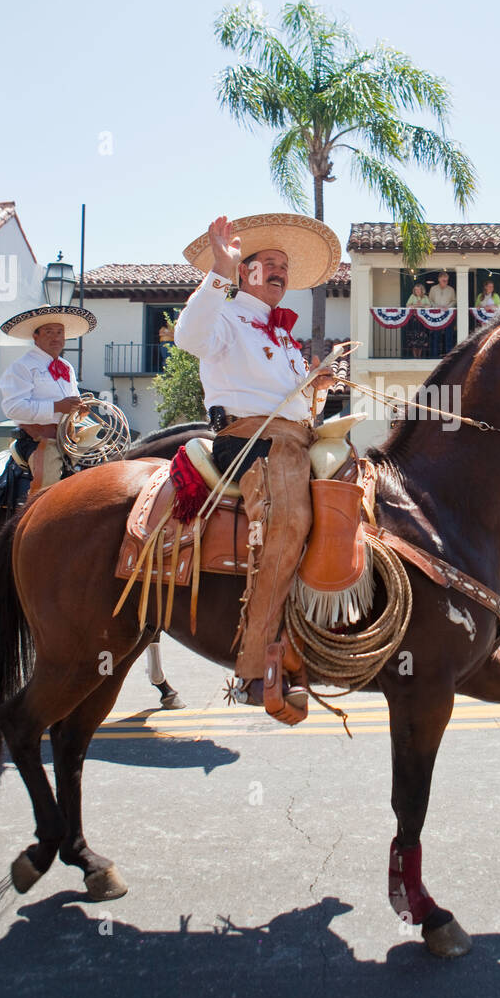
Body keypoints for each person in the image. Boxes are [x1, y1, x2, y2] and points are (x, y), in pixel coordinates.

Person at [175, 212, 340, 720]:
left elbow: (287, 402)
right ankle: (254, 669)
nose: (277, 271)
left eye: (283, 265)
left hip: (297, 438)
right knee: (289, 520)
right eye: (266, 263)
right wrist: (220, 271)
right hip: (251, 442)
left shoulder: (287, 338)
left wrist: (315, 387)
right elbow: (188, 337)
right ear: (243, 272)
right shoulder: (223, 314)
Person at [0, 303, 97, 491]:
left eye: (59, 332)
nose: (56, 337)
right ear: (36, 336)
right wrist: (56, 407)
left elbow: (70, 405)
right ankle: (35, 518)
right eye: (49, 332)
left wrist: (80, 410)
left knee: (104, 465)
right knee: (49, 487)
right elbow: (12, 408)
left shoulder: (66, 367)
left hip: (69, 439)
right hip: (38, 441)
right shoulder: (22, 366)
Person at [427, 269, 457, 357]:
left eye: (447, 280)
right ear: (439, 279)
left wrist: (448, 307)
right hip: (436, 315)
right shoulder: (433, 288)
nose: (446, 282)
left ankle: (449, 356)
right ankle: (434, 356)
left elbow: (454, 301)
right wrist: (437, 307)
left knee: (449, 336)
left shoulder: (451, 289)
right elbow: (430, 300)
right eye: (444, 280)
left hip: (448, 315)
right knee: (436, 336)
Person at [405, 282, 430, 358]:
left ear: (422, 290)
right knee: (414, 337)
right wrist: (416, 305)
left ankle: (419, 356)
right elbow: (407, 306)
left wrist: (421, 305)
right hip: (414, 319)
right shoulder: (412, 296)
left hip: (422, 320)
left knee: (421, 338)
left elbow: (429, 306)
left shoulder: (425, 297)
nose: (417, 291)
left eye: (419, 290)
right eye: (416, 290)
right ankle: (415, 356)